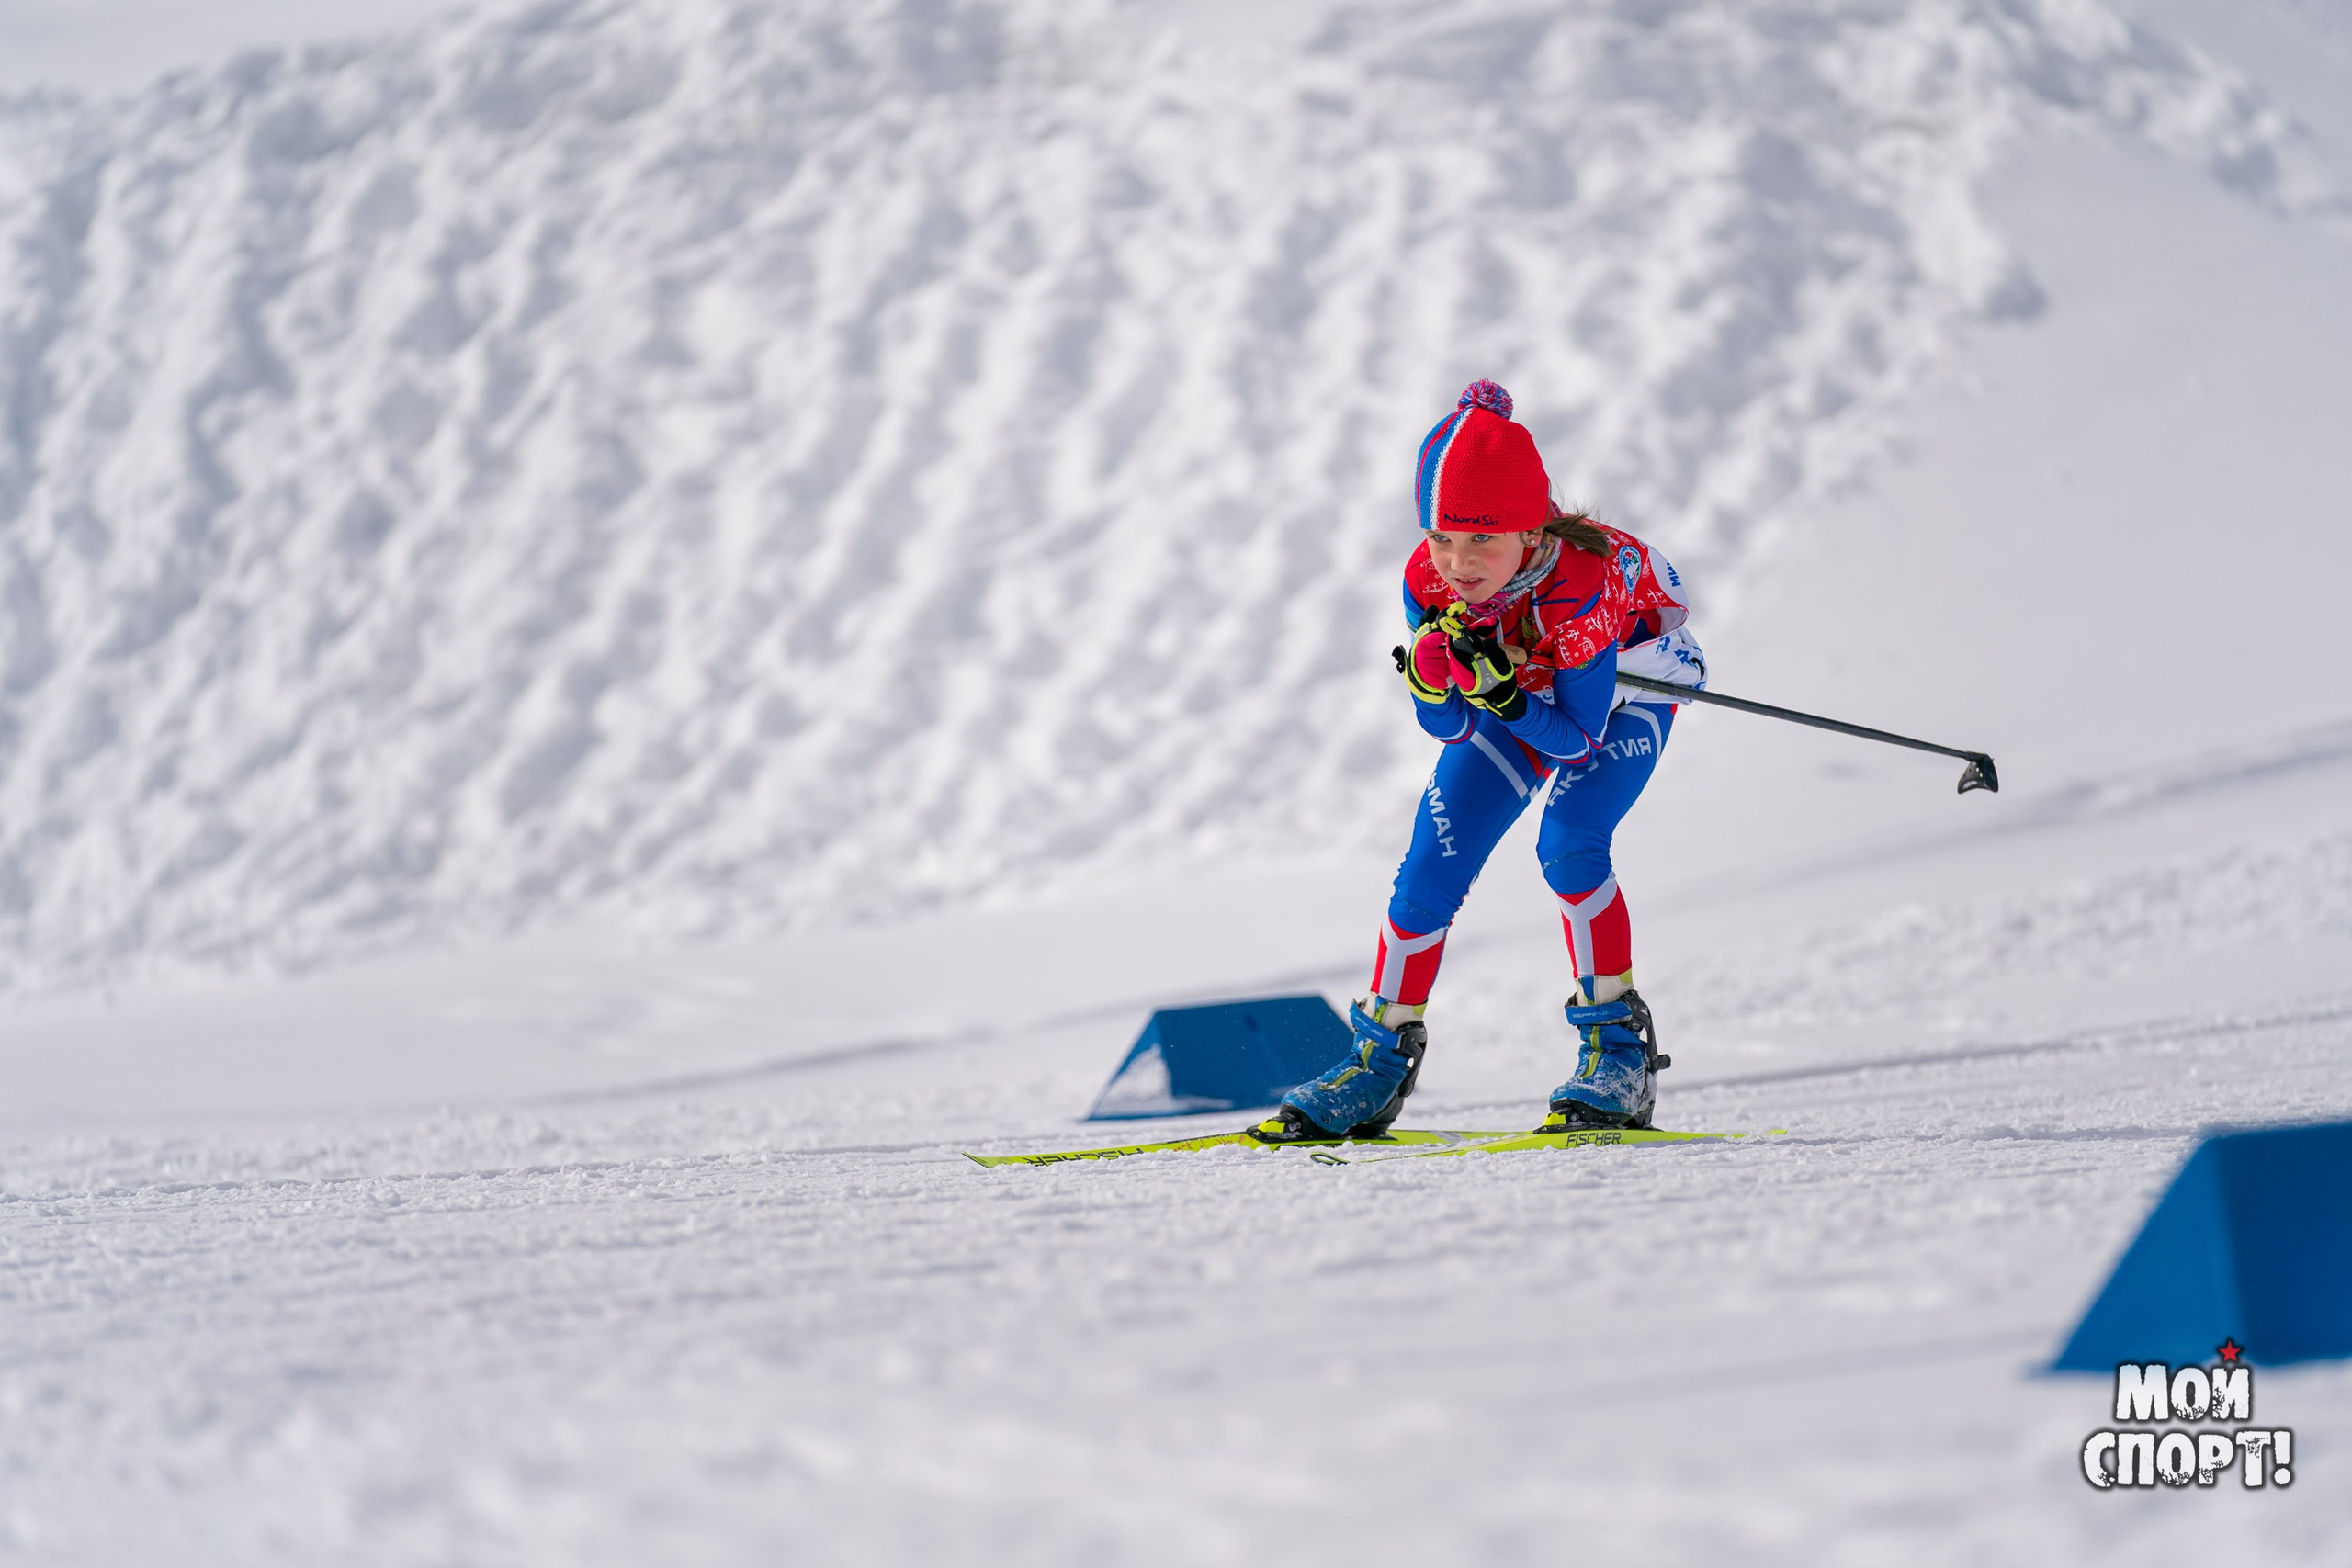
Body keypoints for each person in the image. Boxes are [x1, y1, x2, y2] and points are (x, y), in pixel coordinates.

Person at [1254, 379, 1706, 1142]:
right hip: (1531, 689)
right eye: (1442, 537)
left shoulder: (1579, 585)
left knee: (1569, 844)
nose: (1459, 564)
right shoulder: (1427, 578)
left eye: (1482, 541)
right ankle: (1377, 1059)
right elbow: (1449, 728)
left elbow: (1577, 736)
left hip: (1624, 688)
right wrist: (1435, 681)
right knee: (1430, 867)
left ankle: (1617, 1054)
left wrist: (1499, 695)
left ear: (1529, 535)